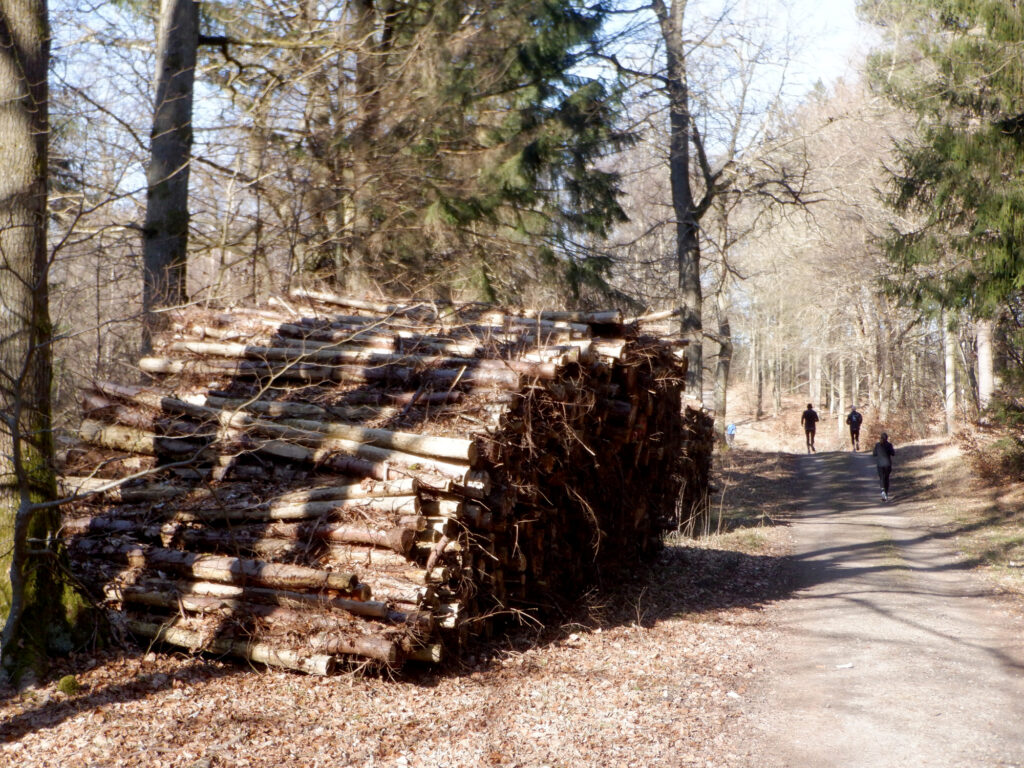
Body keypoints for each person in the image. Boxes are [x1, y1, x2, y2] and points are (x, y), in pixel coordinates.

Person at [872, 431, 895, 501]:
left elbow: (874, 454)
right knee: (887, 479)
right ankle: (886, 494)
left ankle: (882, 491)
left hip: (880, 465)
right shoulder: (889, 445)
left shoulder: (877, 445)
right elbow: (893, 453)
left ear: (880, 438)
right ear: (887, 438)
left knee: (881, 478)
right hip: (888, 464)